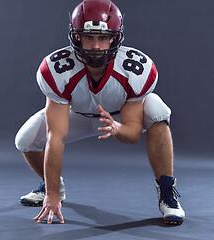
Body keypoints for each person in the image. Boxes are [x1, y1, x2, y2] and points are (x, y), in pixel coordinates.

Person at [15, 0, 185, 225]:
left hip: (119, 116)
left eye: (103, 37)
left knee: (157, 109)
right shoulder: (56, 69)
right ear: (76, 37)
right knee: (25, 139)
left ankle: (167, 192)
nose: (96, 46)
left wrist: (118, 127)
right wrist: (52, 196)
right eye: (89, 37)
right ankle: (52, 184)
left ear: (115, 38)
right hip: (77, 115)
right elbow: (56, 137)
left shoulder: (136, 68)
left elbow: (133, 135)